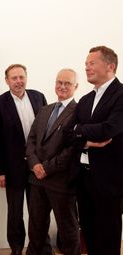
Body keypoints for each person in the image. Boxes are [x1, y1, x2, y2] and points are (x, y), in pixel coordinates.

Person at [0, 64, 49, 255]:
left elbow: (48, 132)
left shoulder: (39, 97)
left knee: (39, 212)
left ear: (26, 78)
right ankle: (16, 249)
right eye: (14, 78)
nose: (18, 81)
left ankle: (41, 249)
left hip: (37, 166)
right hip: (12, 169)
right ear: (6, 81)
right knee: (15, 213)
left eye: (21, 77)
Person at [68, 46, 123, 255]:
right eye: (86, 64)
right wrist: (86, 141)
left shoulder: (121, 95)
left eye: (92, 63)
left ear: (110, 66)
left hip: (109, 179)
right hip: (84, 178)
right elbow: (67, 134)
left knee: (108, 237)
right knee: (89, 234)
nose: (87, 67)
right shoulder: (85, 100)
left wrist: (79, 130)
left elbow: (110, 129)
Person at [25, 69, 80, 255]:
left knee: (68, 231)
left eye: (67, 83)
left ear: (76, 87)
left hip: (61, 182)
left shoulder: (79, 112)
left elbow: (72, 150)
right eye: (59, 82)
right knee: (36, 229)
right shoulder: (45, 110)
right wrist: (34, 165)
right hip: (37, 180)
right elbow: (31, 140)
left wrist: (46, 168)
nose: (62, 86)